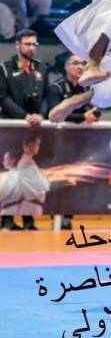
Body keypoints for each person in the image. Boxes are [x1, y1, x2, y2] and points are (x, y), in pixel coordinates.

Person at [0, 30, 48, 230]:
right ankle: (7, 220)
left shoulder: (41, 68)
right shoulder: (5, 67)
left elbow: (46, 96)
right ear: (17, 45)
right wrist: (23, 116)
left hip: (34, 128)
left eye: (34, 44)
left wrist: (41, 114)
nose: (31, 48)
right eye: (27, 44)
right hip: (12, 127)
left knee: (29, 175)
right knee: (11, 175)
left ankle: (29, 220)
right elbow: (2, 97)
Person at [46, 55, 99, 230]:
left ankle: (68, 217)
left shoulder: (88, 89)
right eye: (75, 63)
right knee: (58, 180)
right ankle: (55, 216)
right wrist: (82, 116)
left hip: (80, 142)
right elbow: (55, 114)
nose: (80, 66)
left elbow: (94, 112)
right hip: (58, 142)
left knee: (74, 180)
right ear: (66, 67)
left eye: (83, 63)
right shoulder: (56, 88)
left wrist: (91, 116)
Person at [0, 135, 49, 231]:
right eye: (36, 144)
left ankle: (26, 223)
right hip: (14, 208)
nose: (4, 161)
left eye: (6, 158)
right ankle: (13, 223)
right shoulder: (21, 167)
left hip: (24, 207)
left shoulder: (22, 167)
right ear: (27, 145)